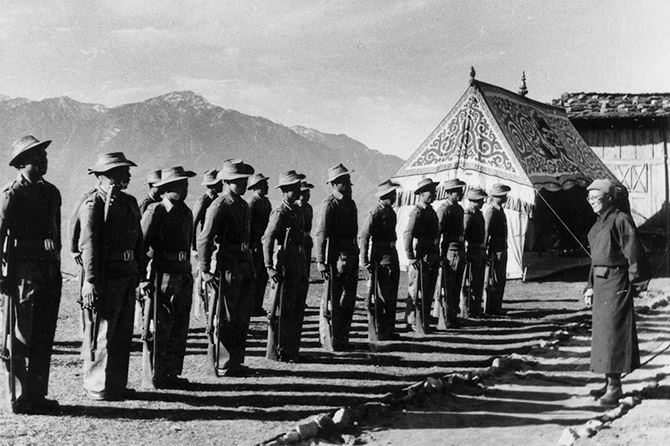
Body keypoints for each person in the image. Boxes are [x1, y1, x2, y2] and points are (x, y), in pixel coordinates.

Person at [0, 135, 61, 413]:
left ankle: (37, 395)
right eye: (36, 158)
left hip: (48, 269)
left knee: (43, 334)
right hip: (23, 270)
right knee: (22, 335)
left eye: (44, 157)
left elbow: (56, 233)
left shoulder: (51, 192)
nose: (43, 161)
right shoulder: (12, 194)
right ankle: (19, 397)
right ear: (22, 164)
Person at [78, 152, 144, 401]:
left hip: (126, 275)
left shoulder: (128, 202)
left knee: (122, 333)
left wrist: (138, 270)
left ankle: (116, 384)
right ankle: (97, 385)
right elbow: (89, 244)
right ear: (104, 176)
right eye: (120, 172)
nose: (126, 175)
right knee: (101, 332)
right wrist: (91, 280)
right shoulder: (93, 204)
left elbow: (138, 238)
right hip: (106, 277)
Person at [584, 179, 649, 406]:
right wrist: (590, 285)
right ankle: (608, 380)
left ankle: (615, 387)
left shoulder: (621, 220)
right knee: (602, 336)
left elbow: (634, 255)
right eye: (589, 198)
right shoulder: (599, 222)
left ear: (609, 198)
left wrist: (635, 284)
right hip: (601, 284)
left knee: (614, 333)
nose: (591, 202)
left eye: (596, 197)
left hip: (617, 284)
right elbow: (596, 259)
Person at [197, 159, 255, 377]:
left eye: (244, 180)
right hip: (227, 263)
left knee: (241, 314)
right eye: (239, 180)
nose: (243, 184)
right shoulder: (220, 205)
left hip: (243, 262)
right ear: (227, 181)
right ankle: (224, 362)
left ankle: (236, 360)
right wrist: (205, 269)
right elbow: (205, 237)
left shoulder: (241, 204)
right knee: (227, 315)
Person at [140, 166, 196, 389]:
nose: (185, 188)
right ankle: (157, 374)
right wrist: (142, 279)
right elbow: (141, 247)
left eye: (186, 184)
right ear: (168, 188)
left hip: (183, 272)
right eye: (181, 185)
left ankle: (172, 372)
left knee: (180, 325)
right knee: (160, 325)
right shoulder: (156, 211)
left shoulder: (186, 212)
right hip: (162, 274)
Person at [262, 171, 308, 361]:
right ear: (285, 190)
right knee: (281, 308)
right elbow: (267, 239)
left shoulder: (297, 210)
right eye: (295, 188)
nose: (299, 190)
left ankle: (290, 349)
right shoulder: (280, 212)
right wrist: (269, 266)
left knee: (296, 307)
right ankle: (278, 349)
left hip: (297, 263)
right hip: (284, 264)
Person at [315, 163, 359, 351]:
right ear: (336, 184)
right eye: (346, 181)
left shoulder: (350, 203)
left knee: (347, 300)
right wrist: (320, 261)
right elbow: (321, 234)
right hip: (335, 257)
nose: (350, 184)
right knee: (331, 300)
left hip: (350, 255)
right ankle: (329, 338)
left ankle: (343, 337)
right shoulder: (329, 204)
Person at [359, 179, 401, 340]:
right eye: (393, 194)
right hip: (380, 257)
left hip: (392, 255)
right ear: (386, 196)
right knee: (381, 296)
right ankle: (380, 329)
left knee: (391, 295)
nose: (395, 196)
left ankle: (389, 329)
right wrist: (365, 260)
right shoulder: (375, 213)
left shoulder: (391, 212)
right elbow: (364, 237)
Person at [403, 178, 440, 334]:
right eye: (430, 192)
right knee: (416, 289)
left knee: (428, 289)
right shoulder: (417, 212)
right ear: (422, 194)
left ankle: (423, 319)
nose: (434, 194)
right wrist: (411, 257)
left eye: (434, 191)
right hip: (422, 255)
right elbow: (408, 234)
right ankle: (412, 320)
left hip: (432, 253)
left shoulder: (430, 210)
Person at [434, 178, 466, 329]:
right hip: (449, 251)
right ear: (449, 193)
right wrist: (440, 253)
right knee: (448, 286)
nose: (461, 193)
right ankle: (445, 317)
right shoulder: (444, 209)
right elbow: (438, 232)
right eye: (457, 191)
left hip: (459, 249)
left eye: (461, 190)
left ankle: (452, 316)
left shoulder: (459, 209)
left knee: (456, 286)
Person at [191, 169, 222, 320]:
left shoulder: (218, 200)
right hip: (206, 245)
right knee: (204, 282)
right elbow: (194, 224)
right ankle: (206, 315)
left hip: (215, 246)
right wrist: (193, 248)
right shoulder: (203, 201)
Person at [483, 183, 511, 316]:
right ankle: (491, 308)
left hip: (501, 247)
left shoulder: (500, 210)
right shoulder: (491, 211)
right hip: (495, 249)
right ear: (496, 197)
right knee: (493, 280)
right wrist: (485, 250)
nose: (505, 198)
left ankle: (497, 306)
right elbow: (486, 232)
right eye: (503, 196)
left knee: (501, 279)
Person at [247, 173, 272, 317]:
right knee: (254, 276)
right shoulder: (252, 203)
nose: (267, 187)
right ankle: (251, 306)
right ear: (256, 188)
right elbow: (248, 226)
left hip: (263, 244)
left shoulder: (266, 203)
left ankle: (258, 305)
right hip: (255, 244)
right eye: (264, 185)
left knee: (262, 276)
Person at [462, 187, 488, 318]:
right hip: (472, 251)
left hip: (479, 250)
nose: (483, 202)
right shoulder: (468, 214)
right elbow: (464, 234)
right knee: (470, 282)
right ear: (473, 201)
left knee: (478, 282)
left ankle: (476, 308)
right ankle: (467, 310)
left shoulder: (478, 213)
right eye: (480, 200)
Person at [297, 180, 315, 282]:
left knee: (306, 260)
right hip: (298, 238)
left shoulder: (308, 208)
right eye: (306, 193)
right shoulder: (296, 207)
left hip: (306, 237)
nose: (308, 195)